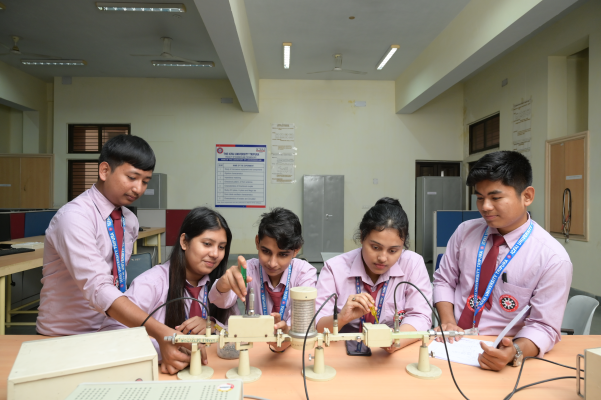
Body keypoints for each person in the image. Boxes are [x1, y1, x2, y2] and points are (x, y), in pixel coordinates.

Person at [37, 135, 189, 374]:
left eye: (145, 181)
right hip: (65, 338)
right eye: (132, 178)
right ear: (105, 170)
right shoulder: (75, 217)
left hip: (111, 332)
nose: (138, 188)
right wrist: (160, 331)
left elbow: (115, 279)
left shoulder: (129, 220)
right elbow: (99, 288)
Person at [433, 151, 572, 371]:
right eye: (480, 197)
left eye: (495, 198)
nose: (485, 206)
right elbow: (444, 281)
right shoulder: (464, 233)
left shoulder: (551, 258)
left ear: (526, 196)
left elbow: (544, 326)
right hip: (450, 345)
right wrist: (448, 320)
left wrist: (513, 351)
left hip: (500, 353)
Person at [100, 207, 236, 371]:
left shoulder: (220, 287)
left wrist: (213, 326)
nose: (215, 254)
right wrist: (163, 347)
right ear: (184, 241)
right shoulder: (152, 283)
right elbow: (111, 334)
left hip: (210, 372)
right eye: (207, 244)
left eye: (221, 247)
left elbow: (237, 331)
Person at [315, 197, 432, 353]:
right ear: (362, 237)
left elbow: (421, 316)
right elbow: (317, 324)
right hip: (344, 353)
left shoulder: (413, 264)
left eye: (393, 251)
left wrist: (396, 340)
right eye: (375, 247)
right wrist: (341, 318)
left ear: (403, 245)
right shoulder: (335, 269)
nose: (383, 258)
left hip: (392, 353)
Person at [209, 207, 317, 351]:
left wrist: (287, 332)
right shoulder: (248, 270)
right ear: (257, 242)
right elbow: (222, 302)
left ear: (296, 250)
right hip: (255, 349)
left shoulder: (305, 273)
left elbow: (302, 322)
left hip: (292, 348)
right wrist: (223, 284)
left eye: (283, 254)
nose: (272, 263)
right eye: (266, 251)